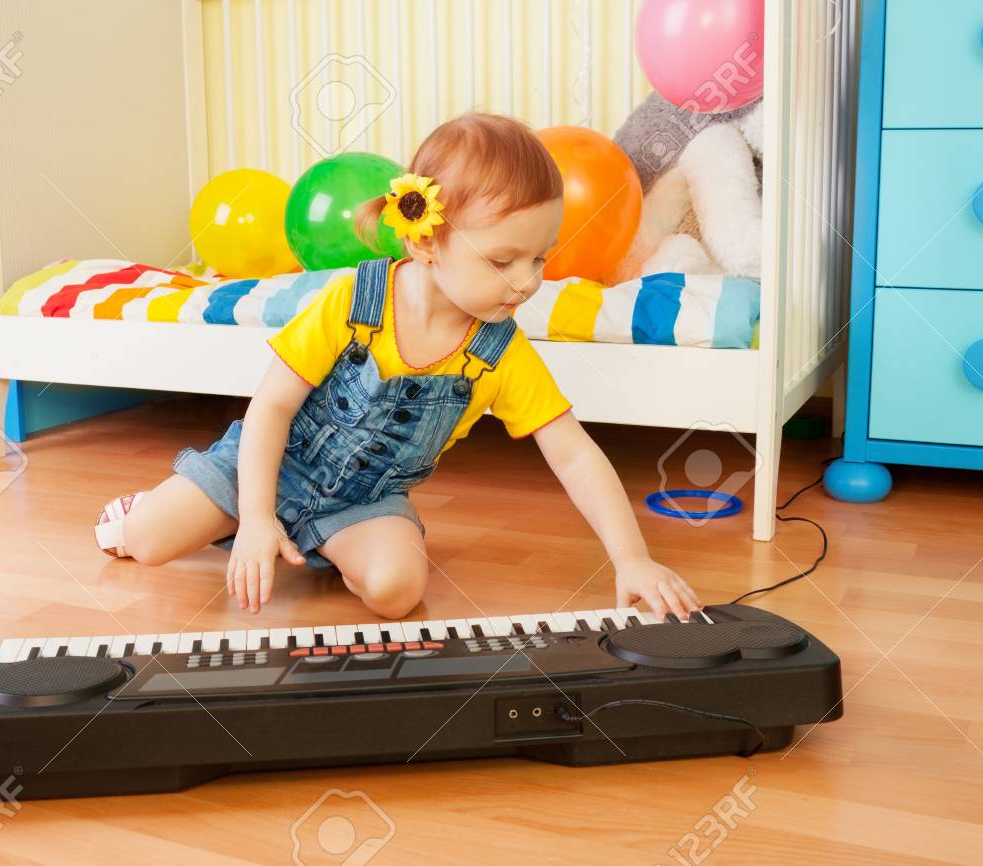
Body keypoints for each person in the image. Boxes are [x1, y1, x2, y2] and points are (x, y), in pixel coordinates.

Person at [94, 113, 702, 622]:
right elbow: (272, 407)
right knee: (148, 543)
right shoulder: (353, 301)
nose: (528, 282)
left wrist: (631, 559)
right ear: (425, 241)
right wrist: (254, 518)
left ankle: (322, 544)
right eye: (503, 260)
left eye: (541, 257)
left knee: (397, 592)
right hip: (267, 464)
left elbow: (572, 453)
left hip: (363, 499)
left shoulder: (499, 351)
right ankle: (193, 516)